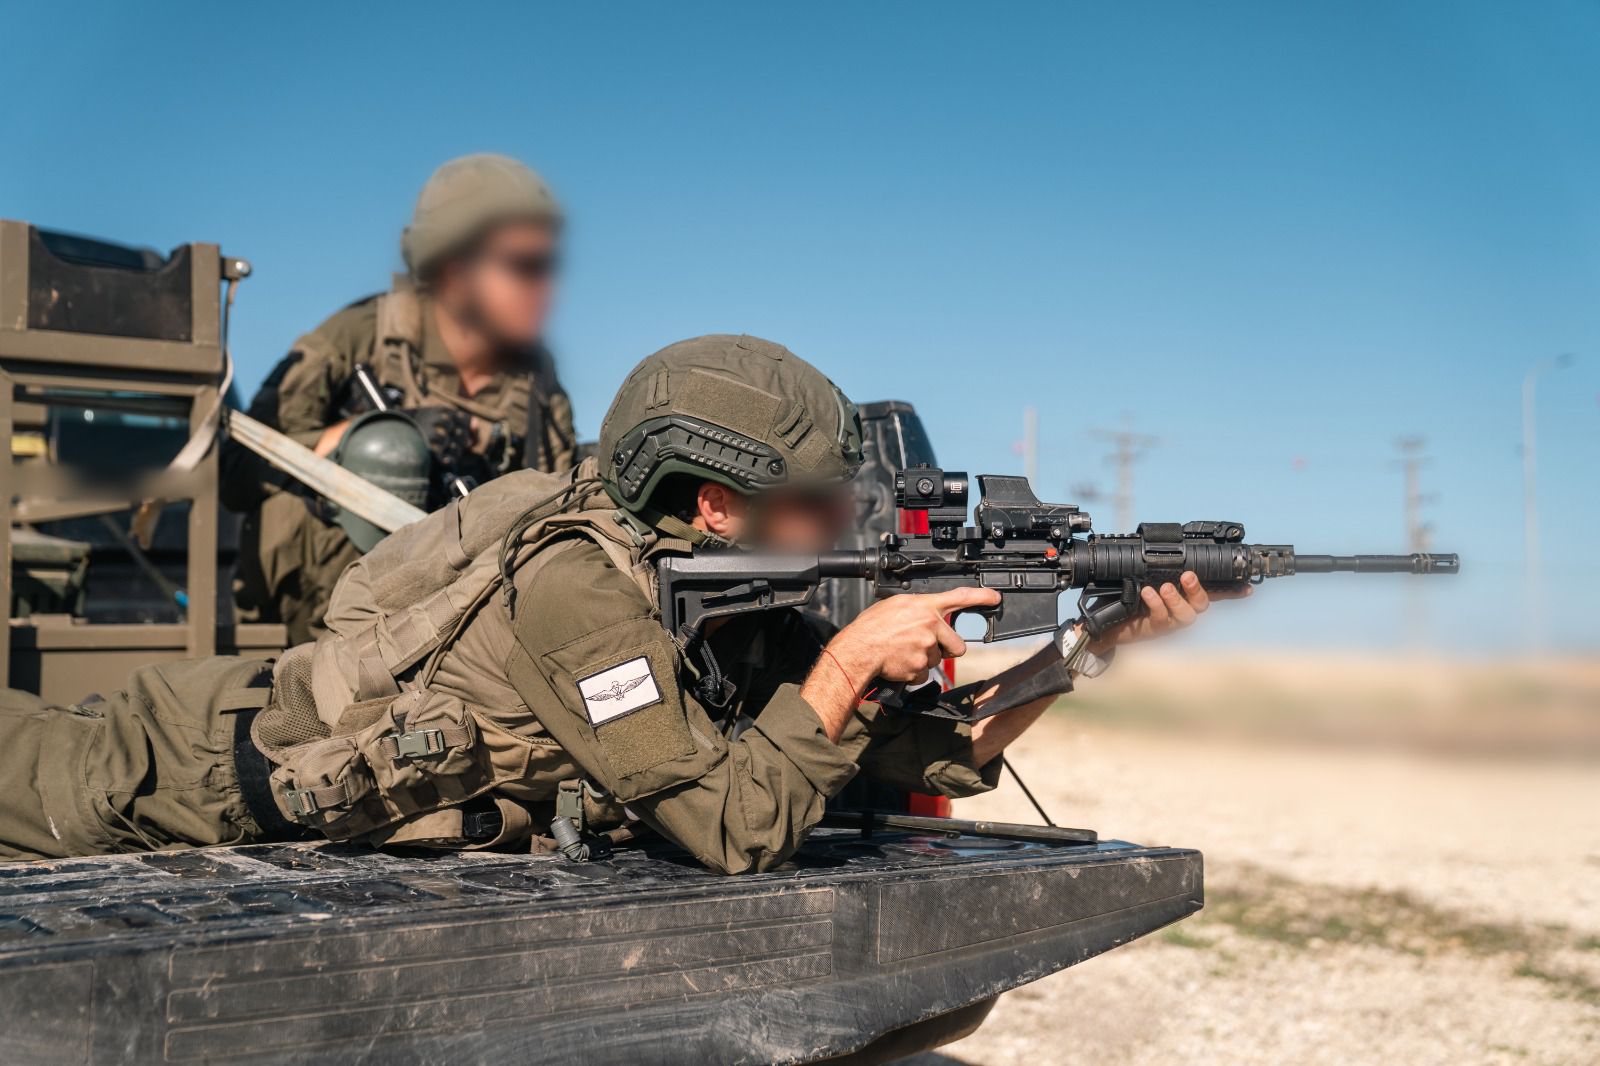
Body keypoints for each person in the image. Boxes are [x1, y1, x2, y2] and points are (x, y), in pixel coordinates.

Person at [0, 335, 1227, 870]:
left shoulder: (724, 597)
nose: (841, 524)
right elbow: (732, 831)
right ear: (715, 507)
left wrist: (1092, 643)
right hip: (159, 779)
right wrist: (848, 660)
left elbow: (936, 755)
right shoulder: (578, 592)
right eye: (816, 501)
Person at [224, 153, 578, 645]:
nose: (545, 288)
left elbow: (559, 508)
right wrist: (366, 435)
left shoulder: (534, 376)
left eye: (549, 265)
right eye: (524, 266)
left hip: (456, 612)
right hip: (321, 617)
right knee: (383, 452)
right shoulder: (360, 336)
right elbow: (237, 471)